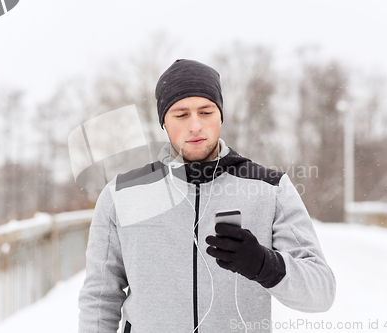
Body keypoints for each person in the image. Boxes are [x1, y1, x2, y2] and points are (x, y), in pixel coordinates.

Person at [78, 59, 336, 333]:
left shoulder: (270, 188)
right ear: (163, 121)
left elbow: (321, 293)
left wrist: (264, 264)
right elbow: (100, 297)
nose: (196, 126)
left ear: (220, 115)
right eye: (181, 115)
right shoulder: (121, 195)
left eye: (206, 112)